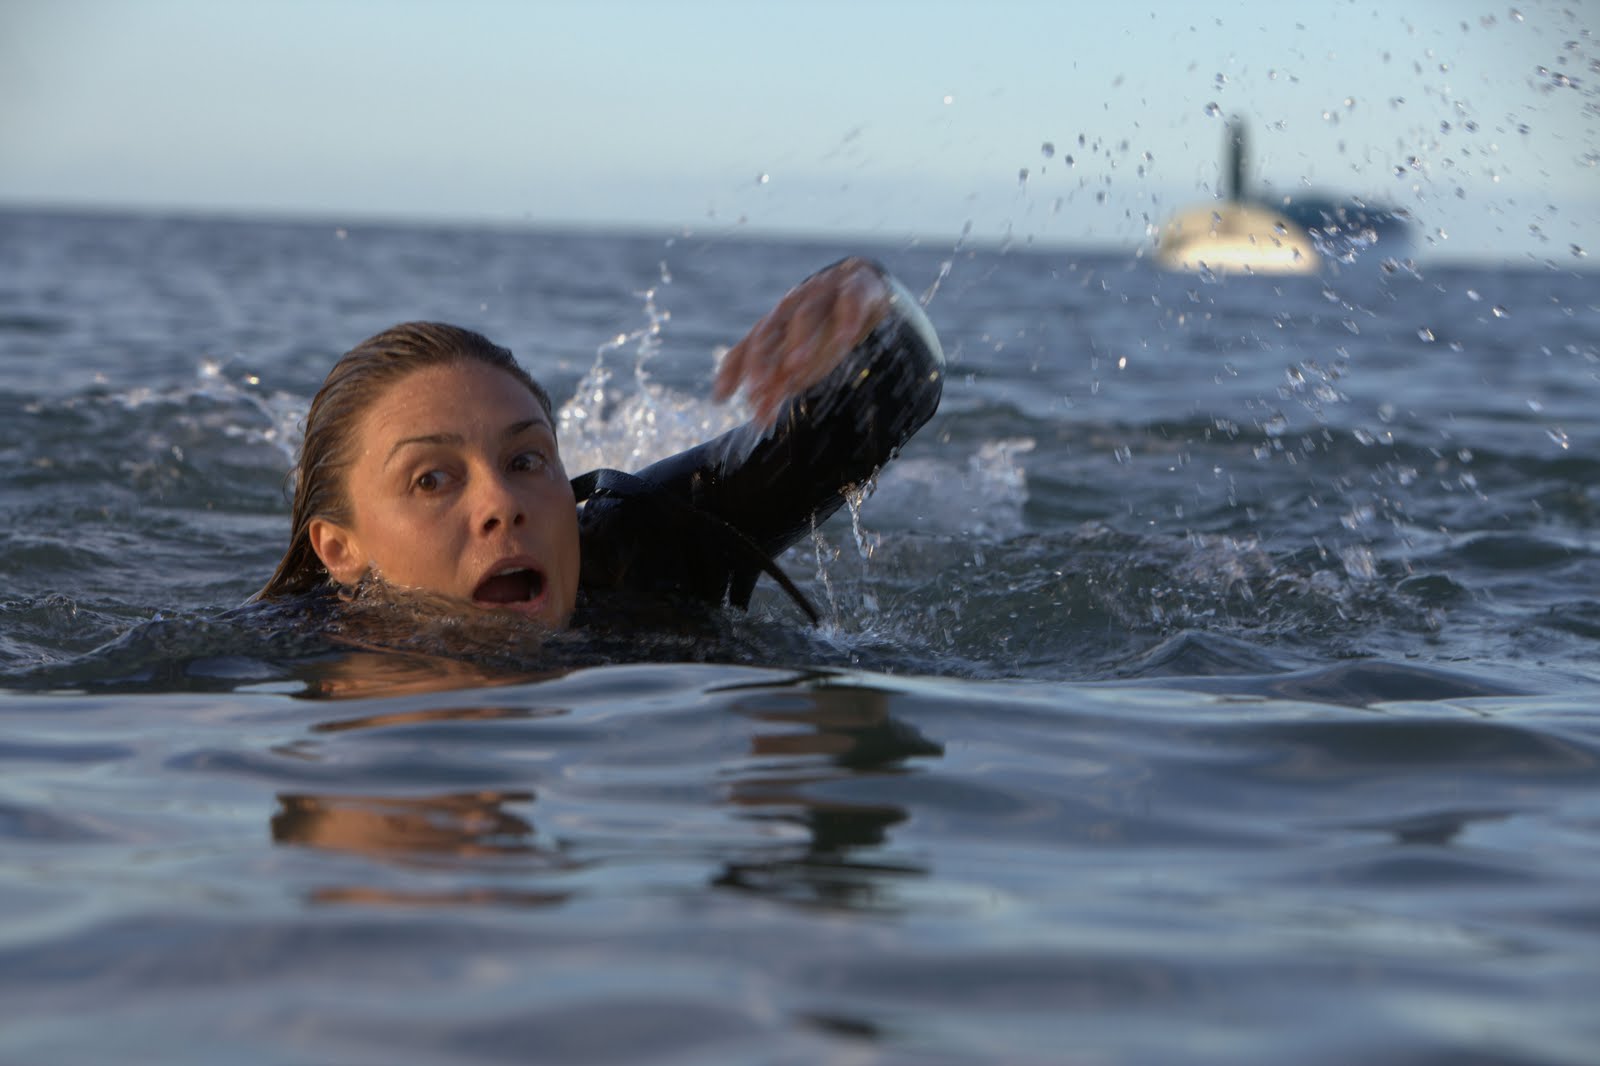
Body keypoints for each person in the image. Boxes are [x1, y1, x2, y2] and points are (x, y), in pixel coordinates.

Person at [255, 257, 944, 629]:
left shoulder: (636, 557)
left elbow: (886, 400)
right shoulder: (276, 658)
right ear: (339, 549)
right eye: (432, 480)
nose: (503, 504)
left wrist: (867, 298)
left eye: (526, 461)